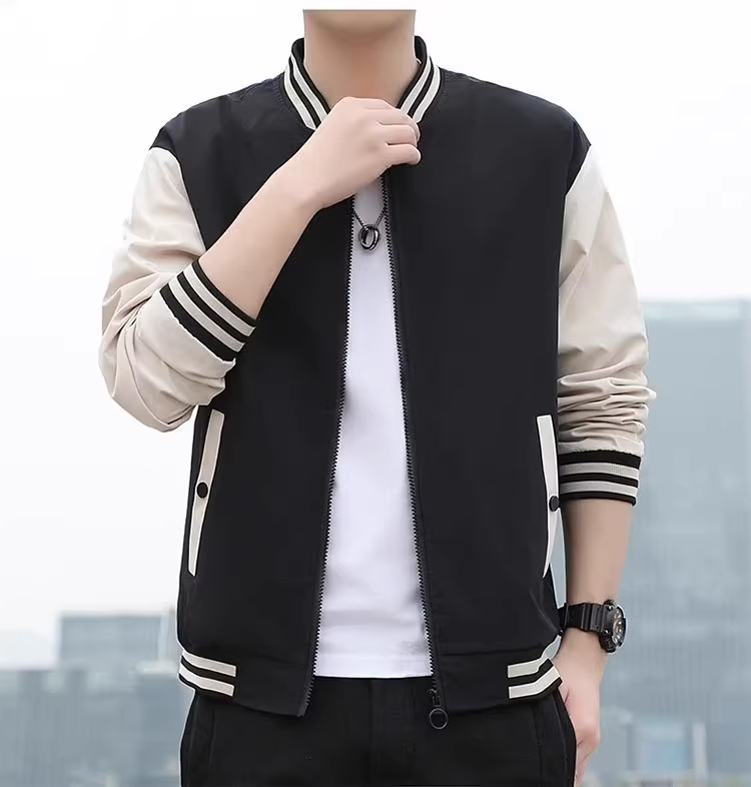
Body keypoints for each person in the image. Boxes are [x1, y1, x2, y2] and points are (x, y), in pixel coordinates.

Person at [98, 8, 654, 786]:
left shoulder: (542, 150)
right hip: (255, 709)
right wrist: (296, 186)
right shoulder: (196, 151)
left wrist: (586, 646)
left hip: (496, 701)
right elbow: (145, 382)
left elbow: (601, 400)